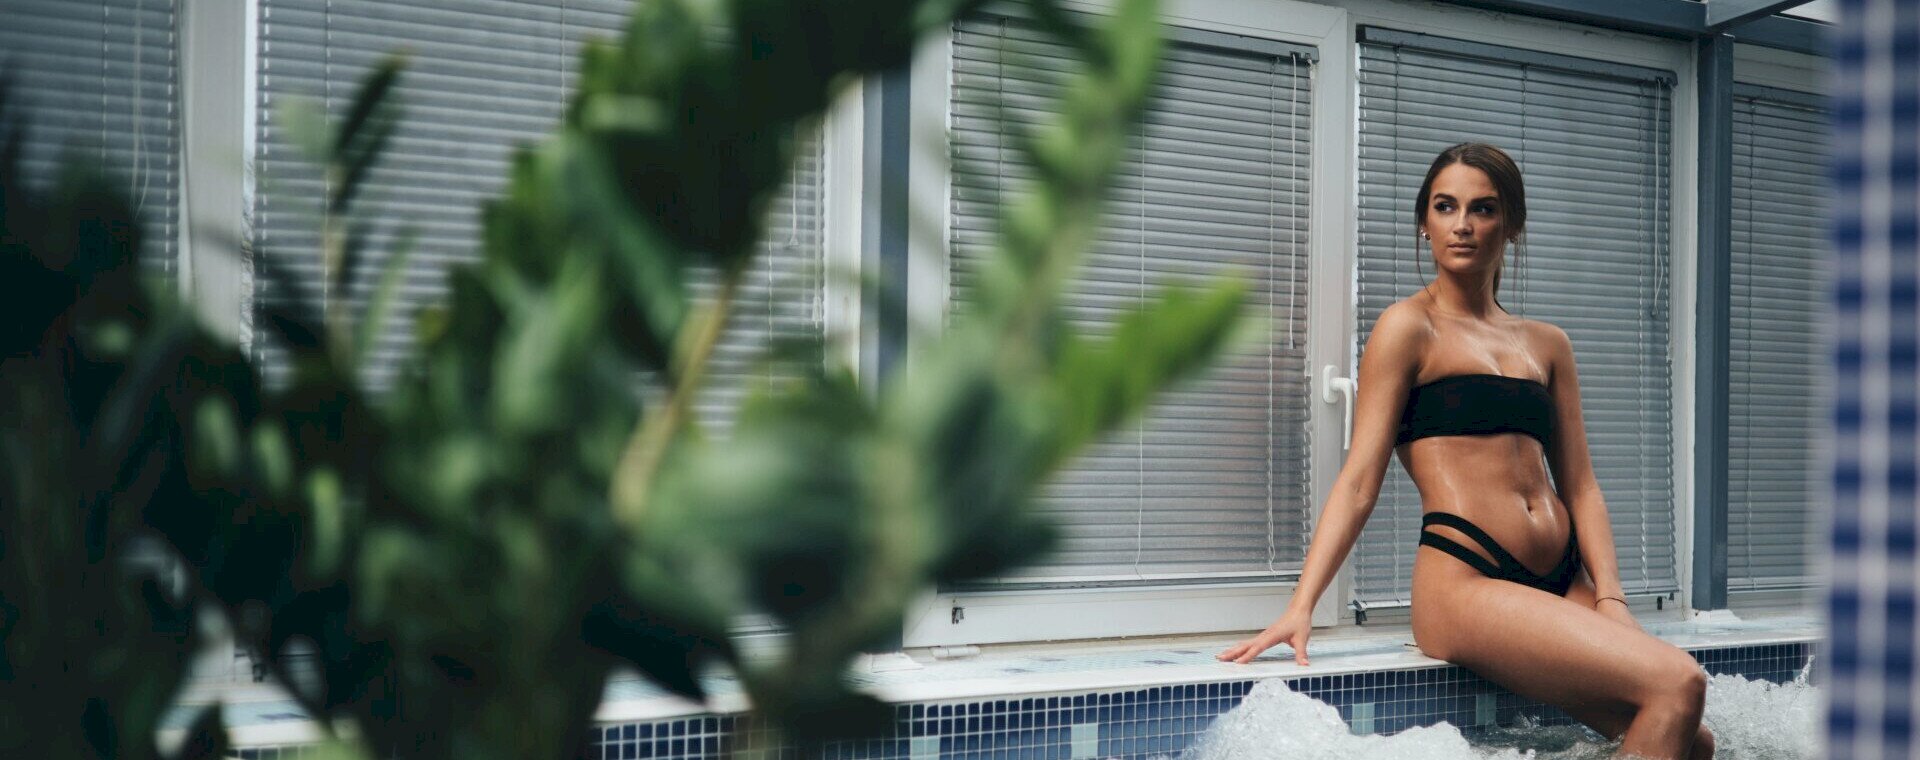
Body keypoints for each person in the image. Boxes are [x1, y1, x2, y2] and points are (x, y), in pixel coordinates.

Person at [1215, 143, 1714, 759]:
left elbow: (1581, 486)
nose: (1463, 224)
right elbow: (1360, 481)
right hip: (1465, 575)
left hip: (1563, 578)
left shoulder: (1547, 344)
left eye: (1483, 209)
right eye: (1445, 207)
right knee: (1680, 683)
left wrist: (1610, 597)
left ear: (1511, 225)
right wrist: (1302, 604)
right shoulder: (1407, 329)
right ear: (1424, 223)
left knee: (1695, 741)